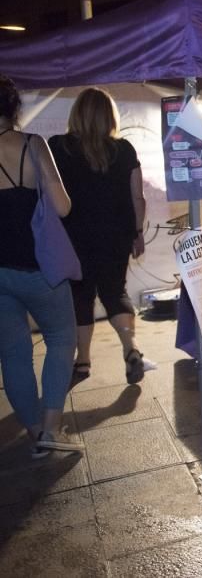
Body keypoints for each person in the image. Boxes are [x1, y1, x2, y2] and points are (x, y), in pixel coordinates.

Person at [0, 75, 83, 458]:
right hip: (38, 268)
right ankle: (51, 427)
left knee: (13, 354)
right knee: (62, 338)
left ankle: (35, 433)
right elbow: (63, 207)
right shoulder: (32, 146)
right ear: (13, 107)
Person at [49, 88, 147, 384]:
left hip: (73, 237)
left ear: (77, 113)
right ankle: (131, 350)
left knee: (81, 297)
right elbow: (138, 198)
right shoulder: (124, 150)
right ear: (109, 116)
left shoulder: (58, 147)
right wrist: (137, 232)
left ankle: (83, 362)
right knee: (115, 291)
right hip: (115, 237)